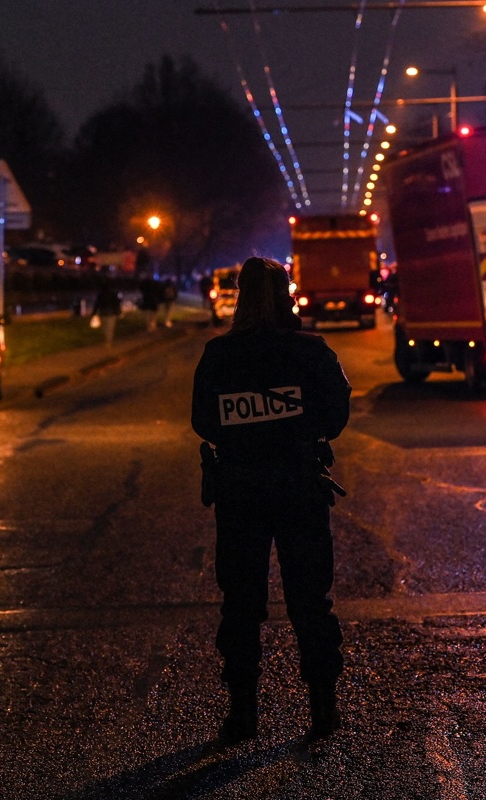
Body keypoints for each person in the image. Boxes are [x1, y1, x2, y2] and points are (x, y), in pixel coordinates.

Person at [191, 256, 352, 747]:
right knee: (310, 600)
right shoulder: (311, 351)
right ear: (287, 296)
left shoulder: (218, 355)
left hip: (240, 490)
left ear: (240, 296)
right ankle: (323, 709)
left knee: (241, 603)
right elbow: (337, 410)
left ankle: (243, 716)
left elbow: (203, 421)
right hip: (299, 484)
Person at [91, 275, 122, 347]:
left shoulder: (100, 294)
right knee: (110, 327)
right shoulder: (113, 294)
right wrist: (118, 312)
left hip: (103, 312)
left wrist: (94, 313)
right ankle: (109, 341)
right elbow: (117, 303)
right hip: (111, 312)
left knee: (105, 327)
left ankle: (107, 340)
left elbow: (97, 304)